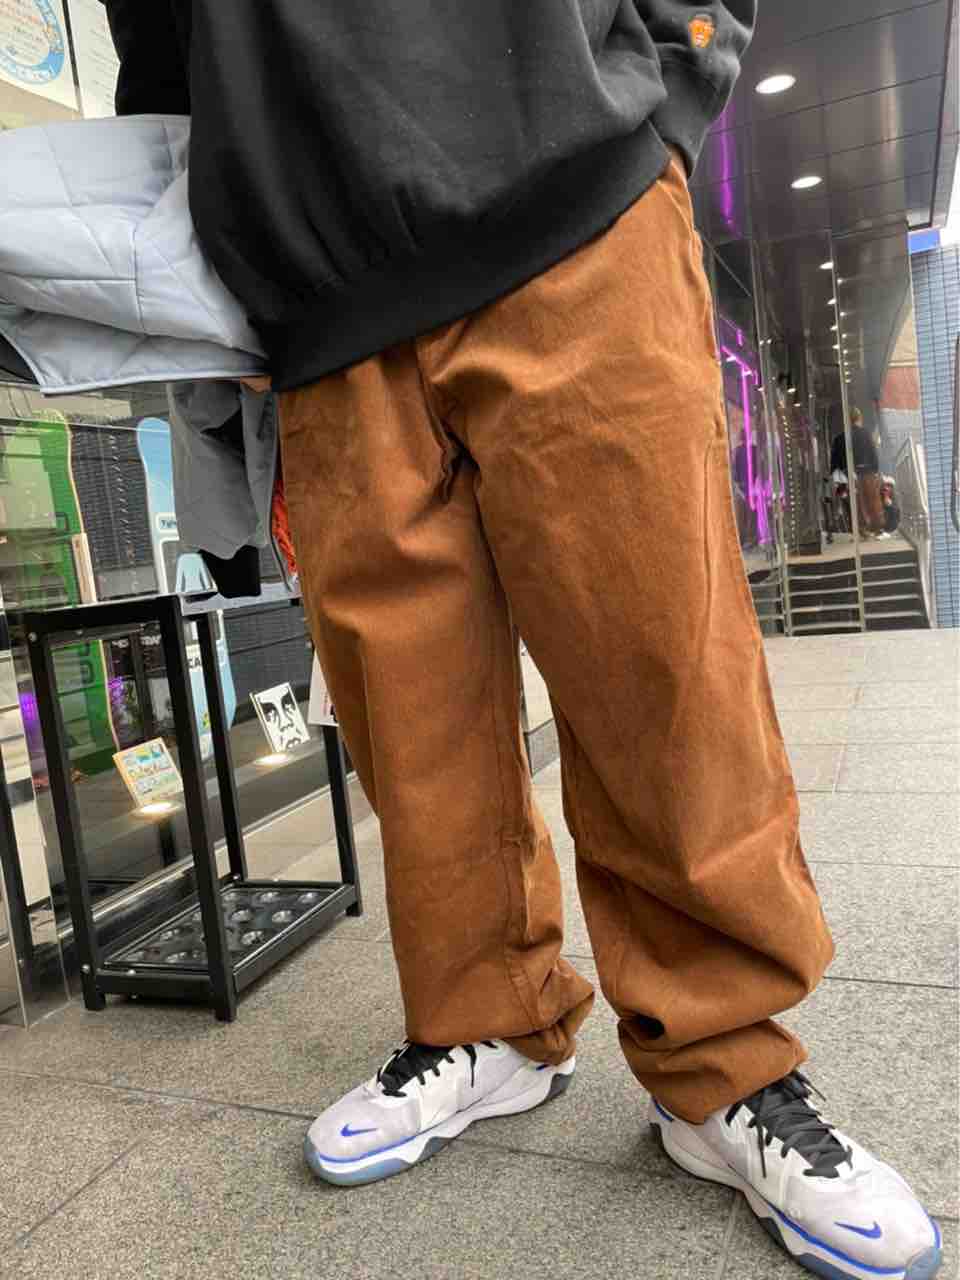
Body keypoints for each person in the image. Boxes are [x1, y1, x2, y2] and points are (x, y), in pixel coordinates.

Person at [99, 5, 942, 1278]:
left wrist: (667, 82)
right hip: (322, 305)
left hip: (573, 201)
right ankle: (486, 1021)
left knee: (662, 671)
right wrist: (228, 253)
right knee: (409, 721)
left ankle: (722, 1065)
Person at [850, 408, 885, 538]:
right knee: (873, 499)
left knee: (861, 501)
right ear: (860, 418)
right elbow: (872, 450)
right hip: (869, 471)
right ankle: (877, 528)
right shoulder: (866, 433)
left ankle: (863, 528)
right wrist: (876, 469)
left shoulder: (849, 435)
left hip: (857, 472)